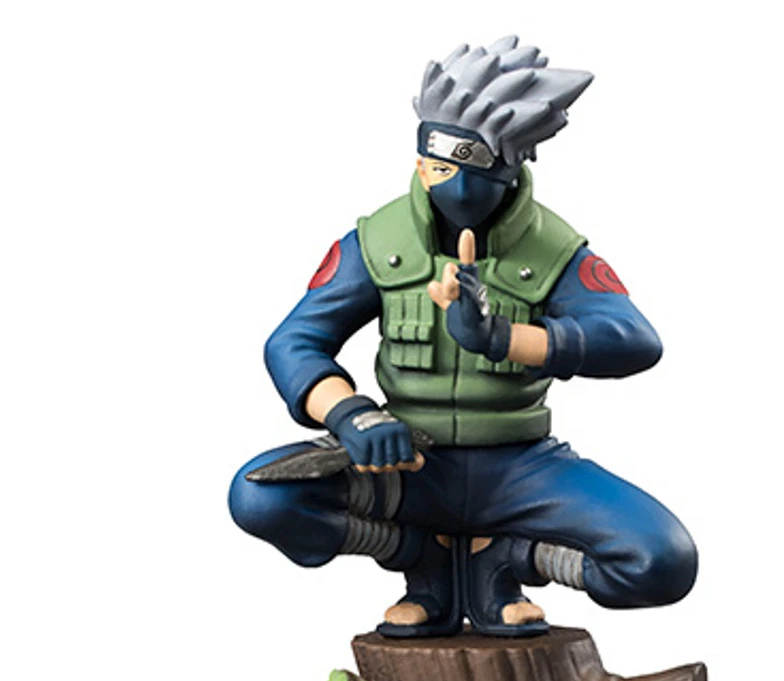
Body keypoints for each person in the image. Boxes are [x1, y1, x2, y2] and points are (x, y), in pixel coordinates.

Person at [229, 37, 697, 637]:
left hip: (522, 470)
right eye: (436, 159)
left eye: (467, 163)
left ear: (509, 163)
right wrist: (351, 415)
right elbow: (293, 342)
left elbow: (633, 339)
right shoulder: (378, 242)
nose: (446, 180)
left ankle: (510, 556)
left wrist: (506, 338)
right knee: (261, 497)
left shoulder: (552, 249)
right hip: (408, 463)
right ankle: (417, 554)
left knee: (661, 559)